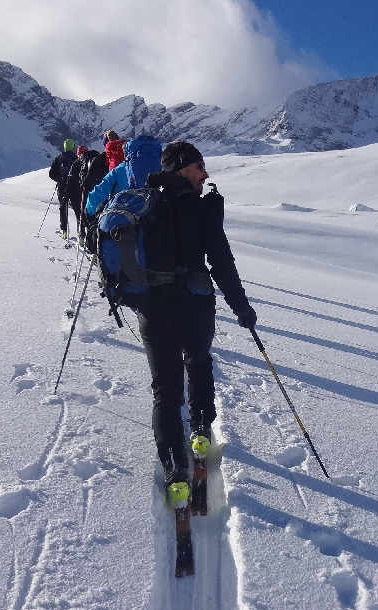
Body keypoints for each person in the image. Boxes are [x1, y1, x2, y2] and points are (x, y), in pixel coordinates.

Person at [88, 141, 256, 497]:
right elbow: (222, 264)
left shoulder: (141, 203)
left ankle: (174, 469)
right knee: (197, 363)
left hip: (151, 309)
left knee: (165, 391)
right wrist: (242, 308)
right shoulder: (198, 208)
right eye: (199, 166)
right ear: (181, 168)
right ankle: (198, 430)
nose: (205, 173)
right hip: (195, 304)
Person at [48, 139, 78, 238]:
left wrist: (59, 179)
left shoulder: (59, 158)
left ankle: (64, 231)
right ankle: (81, 233)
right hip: (74, 187)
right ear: (73, 147)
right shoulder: (76, 158)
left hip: (62, 187)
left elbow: (51, 174)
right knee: (77, 209)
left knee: (63, 207)